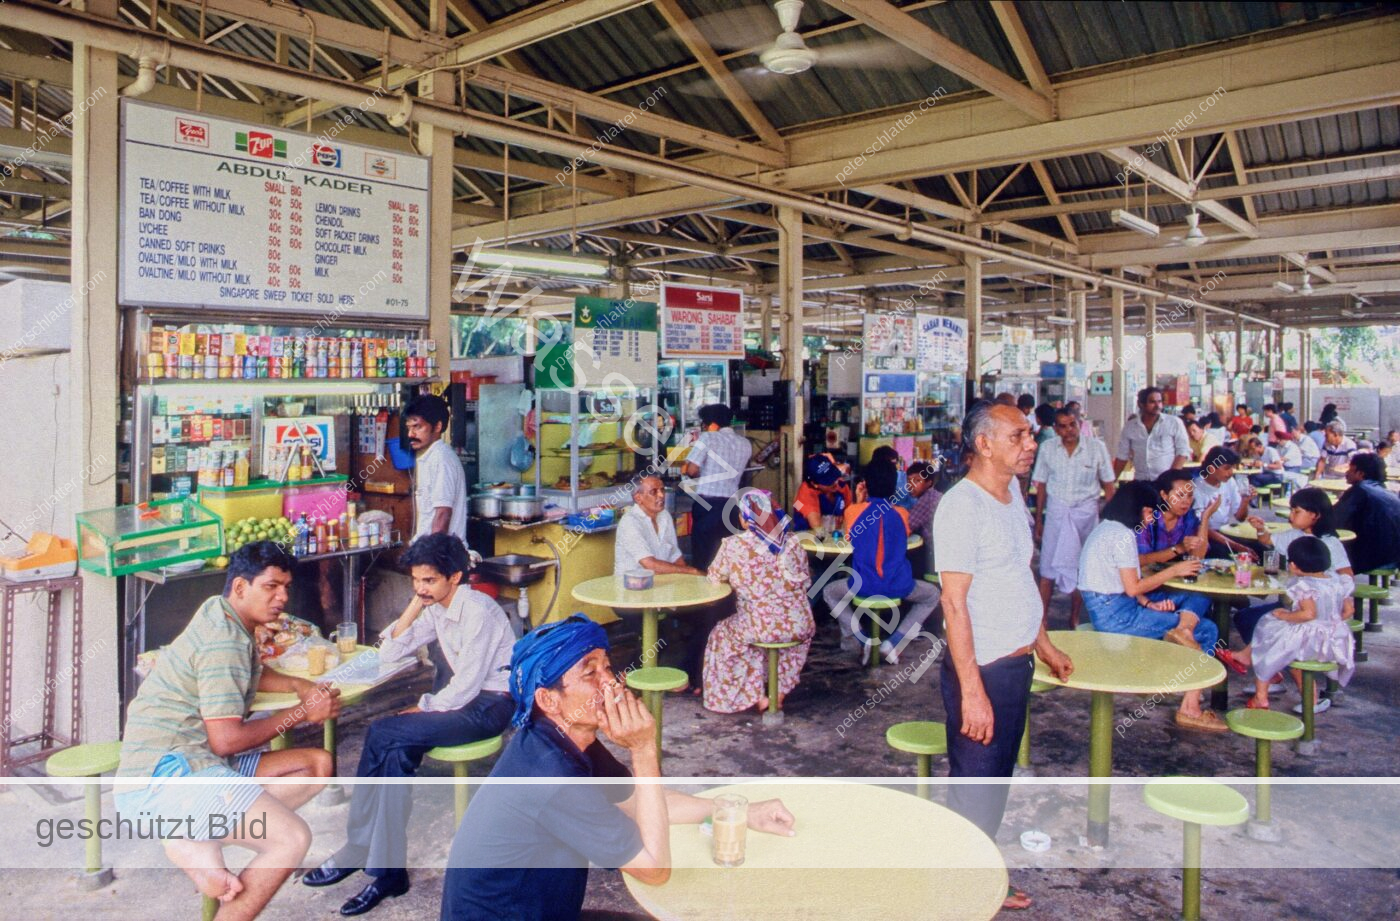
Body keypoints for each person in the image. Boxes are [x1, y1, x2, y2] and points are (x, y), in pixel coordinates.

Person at [440, 615, 796, 921]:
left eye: (608, 667)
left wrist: (741, 812)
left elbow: (637, 801)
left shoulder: (565, 740)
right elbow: (654, 869)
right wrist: (642, 749)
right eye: (590, 674)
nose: (611, 682)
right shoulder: (550, 774)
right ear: (549, 700)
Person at [116, 541, 338, 917]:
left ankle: (199, 834)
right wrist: (300, 714)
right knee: (291, 839)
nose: (282, 596)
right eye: (271, 586)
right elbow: (226, 740)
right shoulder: (225, 640)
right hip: (164, 778)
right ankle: (186, 834)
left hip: (193, 761)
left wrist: (299, 687)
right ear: (240, 587)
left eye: (286, 587)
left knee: (316, 764)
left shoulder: (222, 613)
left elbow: (252, 672)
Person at [303, 534, 514, 915]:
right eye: (416, 580)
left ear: (456, 576)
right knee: (396, 752)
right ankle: (389, 874)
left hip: (490, 705)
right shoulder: (435, 606)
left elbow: (466, 686)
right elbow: (390, 652)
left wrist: (425, 708)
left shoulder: (477, 611)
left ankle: (358, 847)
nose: (421, 587)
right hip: (463, 702)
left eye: (429, 580)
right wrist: (417, 604)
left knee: (382, 732)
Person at [933, 400, 1074, 911]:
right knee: (974, 785)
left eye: (1030, 435)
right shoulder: (960, 507)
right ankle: (958, 894)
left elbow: (1018, 576)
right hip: (984, 669)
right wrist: (973, 693)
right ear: (984, 444)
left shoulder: (1012, 494)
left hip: (1017, 664)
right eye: (1018, 436)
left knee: (995, 780)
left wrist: (1045, 642)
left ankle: (985, 872)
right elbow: (953, 603)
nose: (1031, 444)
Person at [1077, 484, 1227, 732]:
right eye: (1148, 512)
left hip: (1118, 606)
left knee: (1199, 593)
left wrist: (1150, 603)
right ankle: (1190, 707)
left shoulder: (1108, 529)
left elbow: (1124, 588)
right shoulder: (1123, 536)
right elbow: (1133, 588)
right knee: (1208, 629)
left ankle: (1183, 631)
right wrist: (1174, 570)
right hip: (1116, 618)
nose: (1150, 519)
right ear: (1136, 509)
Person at [702, 490, 815, 715]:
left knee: (722, 634)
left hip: (759, 626)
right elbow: (807, 582)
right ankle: (778, 694)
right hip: (800, 623)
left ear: (745, 519)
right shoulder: (793, 541)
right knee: (772, 635)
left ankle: (755, 697)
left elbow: (714, 578)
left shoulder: (732, 545)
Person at [823, 461, 942, 666]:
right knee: (932, 595)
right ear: (895, 486)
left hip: (862, 585)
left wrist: (860, 500)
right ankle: (893, 642)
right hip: (899, 585)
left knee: (829, 592)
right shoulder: (902, 514)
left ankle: (861, 639)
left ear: (866, 484)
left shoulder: (853, 512)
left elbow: (851, 537)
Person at [1232, 488, 1356, 673]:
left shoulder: (1330, 543)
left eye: (1296, 511)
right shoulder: (1294, 535)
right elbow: (1268, 540)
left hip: (1317, 611)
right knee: (1244, 617)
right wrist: (1260, 529)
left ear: (1315, 515)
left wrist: (1330, 593)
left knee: (1265, 622)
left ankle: (1267, 667)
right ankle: (1269, 668)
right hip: (1296, 605)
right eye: (1291, 510)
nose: (1291, 516)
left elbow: (1347, 575)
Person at [1243, 537, 1354, 713]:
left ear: (1293, 566)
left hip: (1311, 640)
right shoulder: (1338, 581)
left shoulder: (1303, 585)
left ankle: (1260, 696)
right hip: (1335, 639)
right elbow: (1348, 611)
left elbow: (1309, 614)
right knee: (1284, 648)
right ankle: (1311, 700)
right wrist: (1330, 621)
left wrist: (1286, 615)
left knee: (1267, 638)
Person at [1031, 407, 1116, 628]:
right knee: (1047, 569)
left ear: (1079, 424)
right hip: (1057, 514)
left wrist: (1112, 522)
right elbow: (1041, 485)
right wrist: (1038, 520)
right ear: (1056, 429)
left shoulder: (1096, 448)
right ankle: (1041, 620)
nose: (1069, 430)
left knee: (1082, 568)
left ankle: (1074, 617)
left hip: (1086, 515)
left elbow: (1108, 484)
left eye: (1073, 425)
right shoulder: (1048, 448)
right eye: (1063, 426)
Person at [681, 403, 752, 570]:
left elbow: (691, 470)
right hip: (732, 506)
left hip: (708, 505)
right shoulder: (745, 443)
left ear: (710, 423)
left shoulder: (707, 438)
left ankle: (705, 592)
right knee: (727, 555)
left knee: (704, 556)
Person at [403, 394, 468, 544]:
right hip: (427, 550)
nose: (410, 434)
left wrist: (432, 557)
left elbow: (442, 514)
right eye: (409, 428)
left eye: (417, 427)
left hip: (441, 556)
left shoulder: (441, 459)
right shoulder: (428, 457)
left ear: (437, 426)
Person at [614, 475, 700, 576]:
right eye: (653, 492)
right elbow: (649, 564)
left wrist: (690, 578)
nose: (661, 495)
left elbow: (675, 555)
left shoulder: (664, 515)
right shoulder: (630, 522)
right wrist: (692, 571)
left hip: (662, 584)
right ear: (638, 498)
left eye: (662, 490)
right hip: (632, 587)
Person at [1333, 453, 1400, 574]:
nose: (1346, 473)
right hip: (1394, 556)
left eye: (1350, 469)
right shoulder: (1386, 491)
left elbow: (1334, 519)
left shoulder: (1360, 490)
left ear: (1360, 473)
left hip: (1375, 558)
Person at [1137, 470, 1213, 567]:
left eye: (1190, 496)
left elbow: (1198, 557)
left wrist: (1205, 518)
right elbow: (1140, 560)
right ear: (1164, 495)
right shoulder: (1148, 518)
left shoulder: (1189, 518)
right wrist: (1179, 548)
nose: (1186, 501)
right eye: (1180, 495)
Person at [1114, 386, 1190, 481]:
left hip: (1165, 482)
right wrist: (1111, 481)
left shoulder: (1174, 423)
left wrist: (1171, 478)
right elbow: (1122, 456)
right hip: (1141, 482)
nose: (1158, 405)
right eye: (1152, 402)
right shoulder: (1130, 427)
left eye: (1159, 401)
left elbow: (1182, 452)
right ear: (1141, 404)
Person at [1193, 447, 1254, 558]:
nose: (1231, 473)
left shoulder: (1229, 482)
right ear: (1211, 468)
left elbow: (1240, 517)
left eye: (1232, 468)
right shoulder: (1196, 488)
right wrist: (1237, 546)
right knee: (1225, 554)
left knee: (1258, 547)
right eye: (1227, 468)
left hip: (1225, 531)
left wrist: (1245, 501)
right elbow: (1201, 527)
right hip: (1205, 535)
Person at [791, 451, 853, 532]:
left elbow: (852, 516)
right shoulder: (804, 494)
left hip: (837, 537)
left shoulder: (841, 485)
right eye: (828, 480)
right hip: (809, 541)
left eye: (833, 475)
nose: (835, 482)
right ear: (815, 484)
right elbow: (818, 529)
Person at [905, 460, 943, 577]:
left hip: (936, 555)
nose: (912, 485)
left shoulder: (927, 499)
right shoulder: (934, 495)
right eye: (909, 481)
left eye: (917, 481)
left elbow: (907, 526)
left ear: (929, 483)